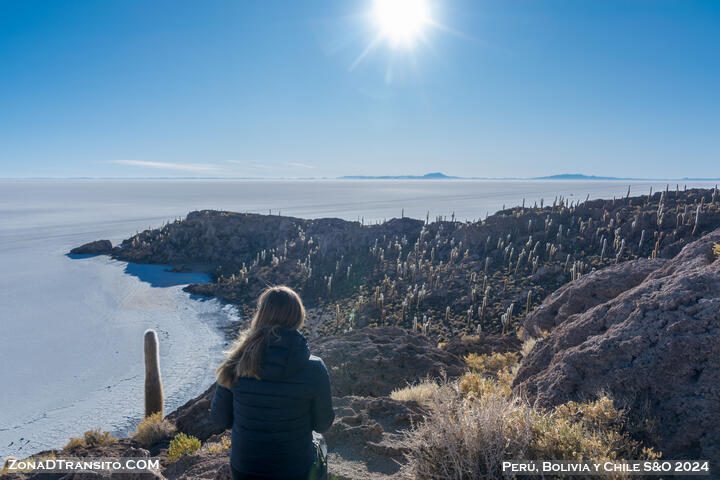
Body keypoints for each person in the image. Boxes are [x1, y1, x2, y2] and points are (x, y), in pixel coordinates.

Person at [210, 286, 335, 480]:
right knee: (320, 445)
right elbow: (323, 425)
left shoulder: (236, 363)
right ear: (297, 317)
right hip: (296, 470)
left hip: (246, 468)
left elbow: (220, 419)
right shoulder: (315, 368)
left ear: (261, 316)